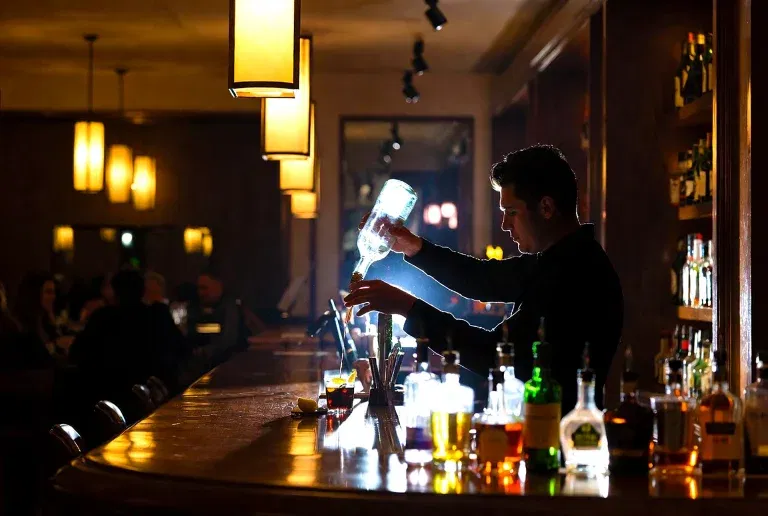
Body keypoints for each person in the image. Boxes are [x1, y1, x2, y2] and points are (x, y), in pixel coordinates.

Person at [344, 145, 623, 412]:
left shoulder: (576, 274)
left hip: (559, 438)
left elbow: (494, 354)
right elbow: (481, 278)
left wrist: (408, 307)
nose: (505, 225)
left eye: (511, 212)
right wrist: (412, 246)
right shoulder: (559, 259)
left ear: (546, 207)